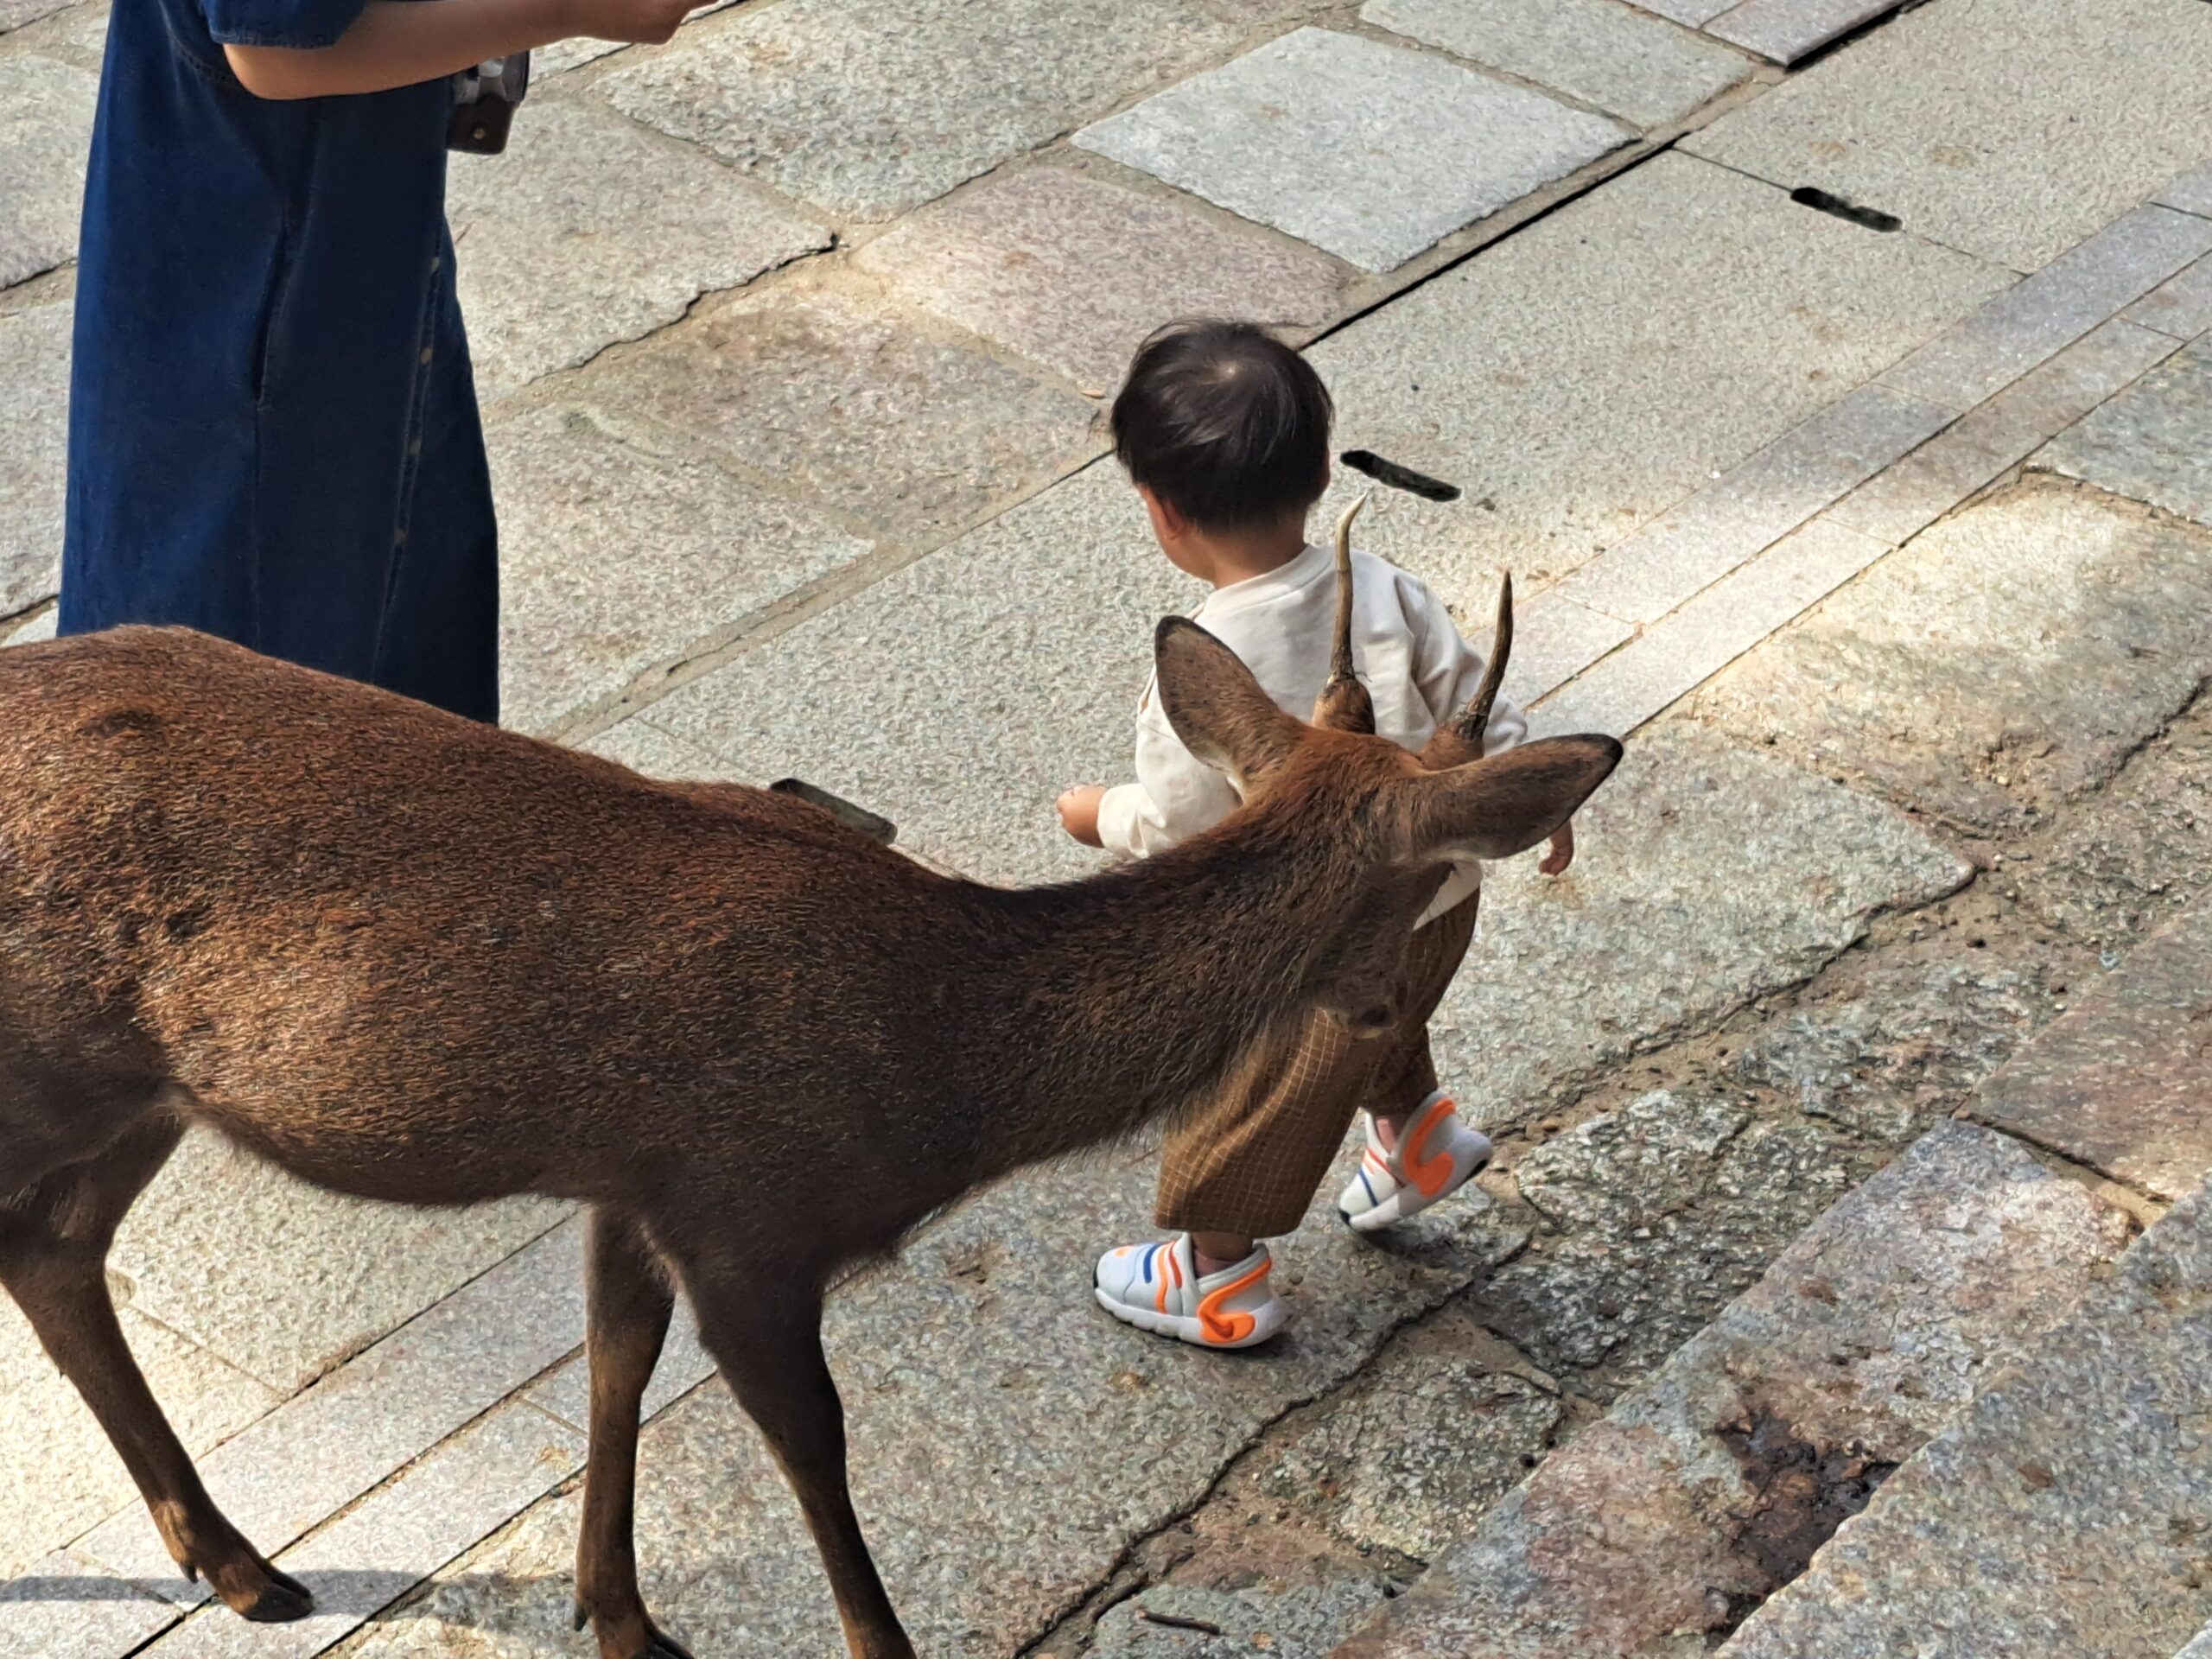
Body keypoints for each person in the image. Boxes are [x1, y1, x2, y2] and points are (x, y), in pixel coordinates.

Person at [1057, 320, 1575, 1350]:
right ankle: (1418, 1142)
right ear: (1322, 473)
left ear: (1160, 512)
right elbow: (1475, 703)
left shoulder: (1203, 663)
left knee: (1251, 1104)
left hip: (1295, 952)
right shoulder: (1384, 586)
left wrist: (1098, 815)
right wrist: (1547, 801)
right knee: (1390, 1013)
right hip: (1433, 896)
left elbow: (1178, 829)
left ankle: (1216, 1279)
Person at [59, 0, 694, 721]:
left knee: (398, 712)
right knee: (242, 724)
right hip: (272, 292)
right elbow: (274, 51)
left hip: (354, 247)